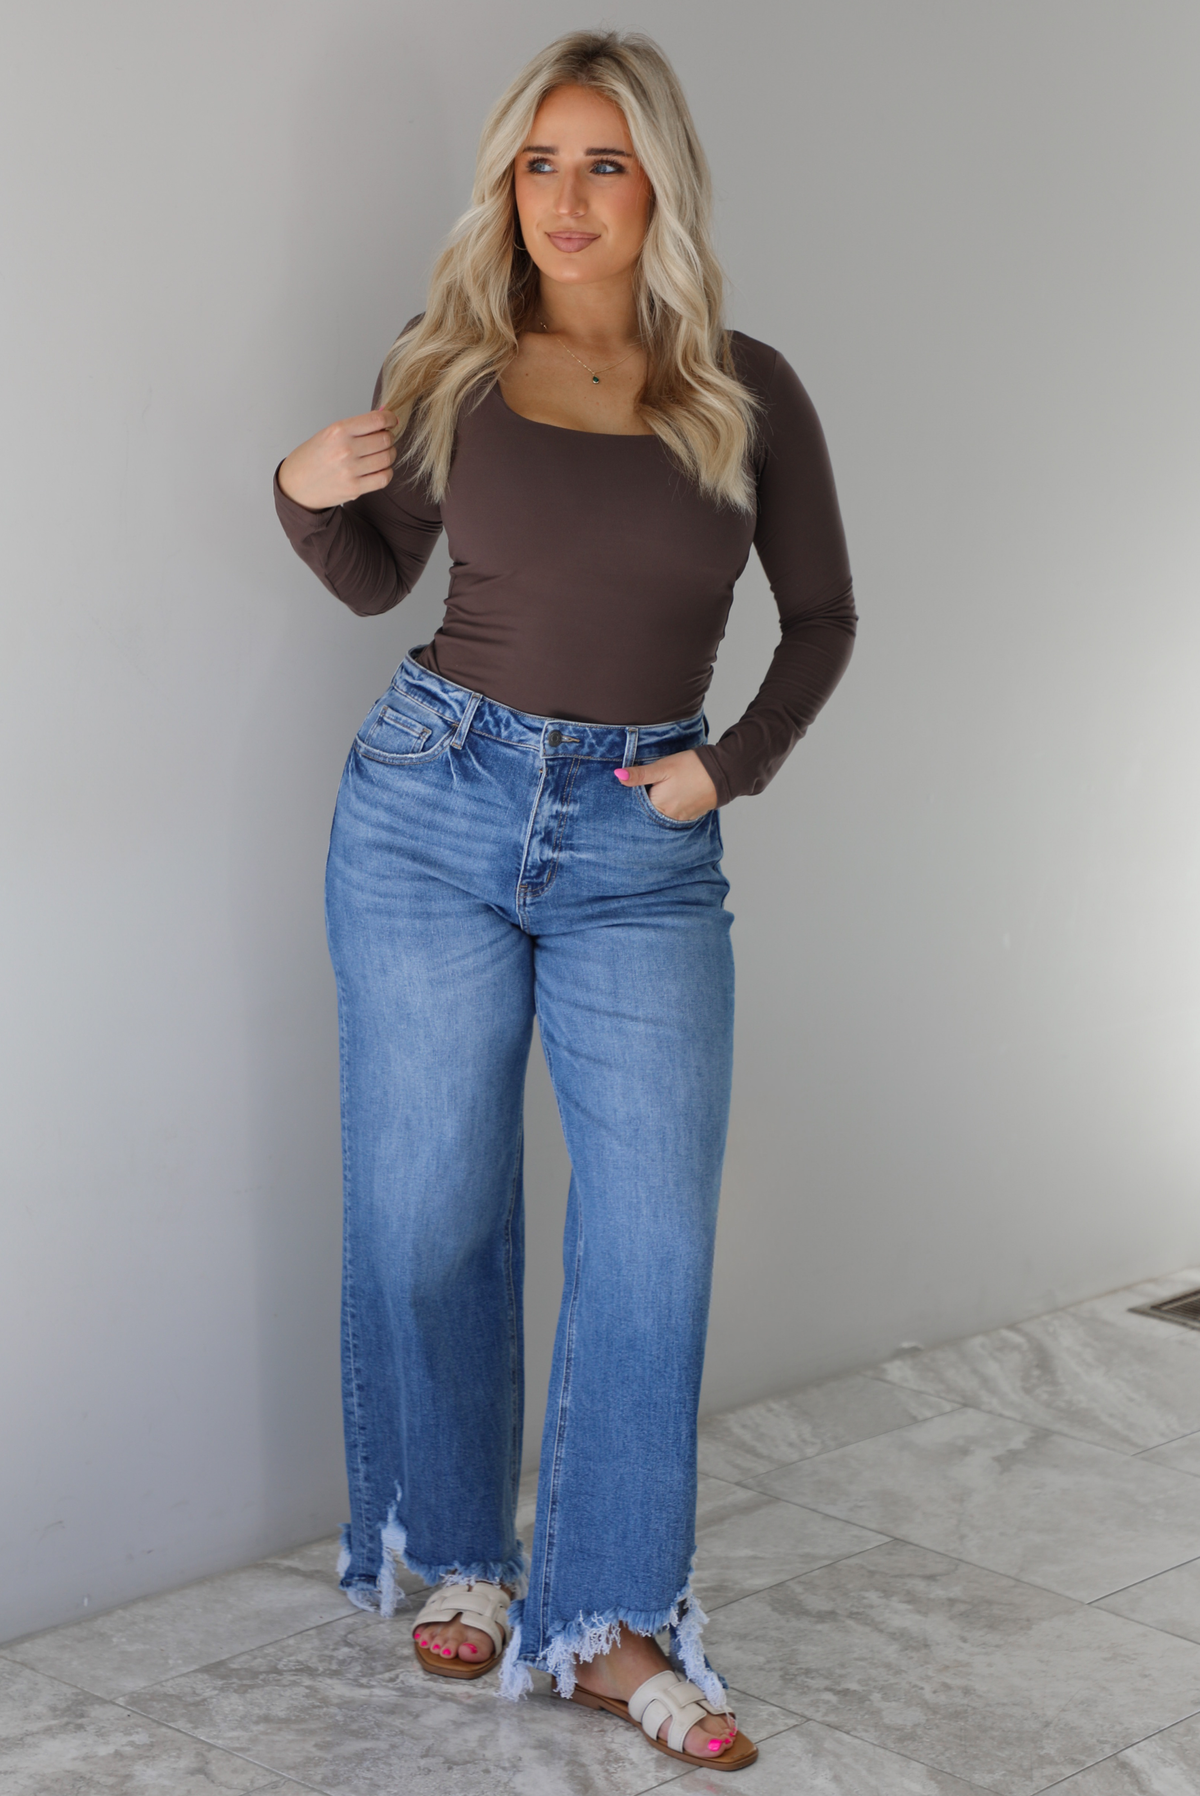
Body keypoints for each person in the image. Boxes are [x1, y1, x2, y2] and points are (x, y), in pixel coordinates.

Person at [273, 27, 855, 1775]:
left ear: (657, 179)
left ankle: (606, 1622)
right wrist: (297, 498)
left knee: (653, 1237)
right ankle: (455, 1548)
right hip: (430, 810)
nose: (570, 196)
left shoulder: (746, 388)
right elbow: (378, 575)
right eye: (542, 162)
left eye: (604, 162)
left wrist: (722, 768)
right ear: (507, 185)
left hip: (641, 846)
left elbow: (822, 619)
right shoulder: (449, 363)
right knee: (431, 1205)